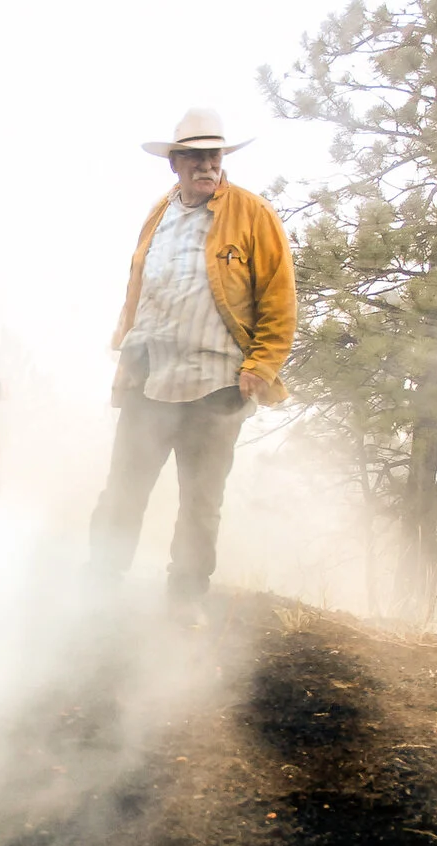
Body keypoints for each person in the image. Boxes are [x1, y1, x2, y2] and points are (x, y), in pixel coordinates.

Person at [88, 107, 295, 624]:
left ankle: (185, 598)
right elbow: (140, 290)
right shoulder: (159, 215)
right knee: (124, 488)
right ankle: (100, 584)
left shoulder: (252, 214)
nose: (207, 165)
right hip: (150, 375)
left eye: (214, 156)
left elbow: (279, 297)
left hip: (217, 383)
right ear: (174, 164)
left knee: (201, 500)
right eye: (196, 157)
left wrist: (262, 364)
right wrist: (124, 349)